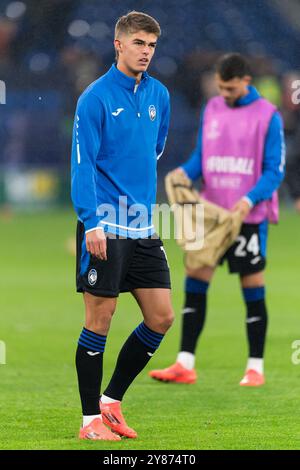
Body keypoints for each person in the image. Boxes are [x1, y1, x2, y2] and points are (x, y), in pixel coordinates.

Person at [150, 53, 285, 387]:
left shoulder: (269, 116)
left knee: (252, 288)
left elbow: (274, 171)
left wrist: (248, 199)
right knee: (195, 280)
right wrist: (185, 172)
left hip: (246, 216)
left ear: (245, 82)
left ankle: (255, 367)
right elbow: (202, 157)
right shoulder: (212, 109)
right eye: (219, 87)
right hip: (210, 212)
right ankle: (185, 363)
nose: (222, 93)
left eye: (228, 88)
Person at [71, 11, 173, 441]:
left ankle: (111, 401)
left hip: (142, 226)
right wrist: (92, 221)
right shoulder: (94, 98)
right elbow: (82, 164)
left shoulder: (160, 95)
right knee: (101, 319)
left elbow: (156, 147)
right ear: (119, 44)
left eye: (151, 45)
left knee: (162, 317)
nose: (146, 52)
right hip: (105, 228)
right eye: (138, 43)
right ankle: (89, 421)